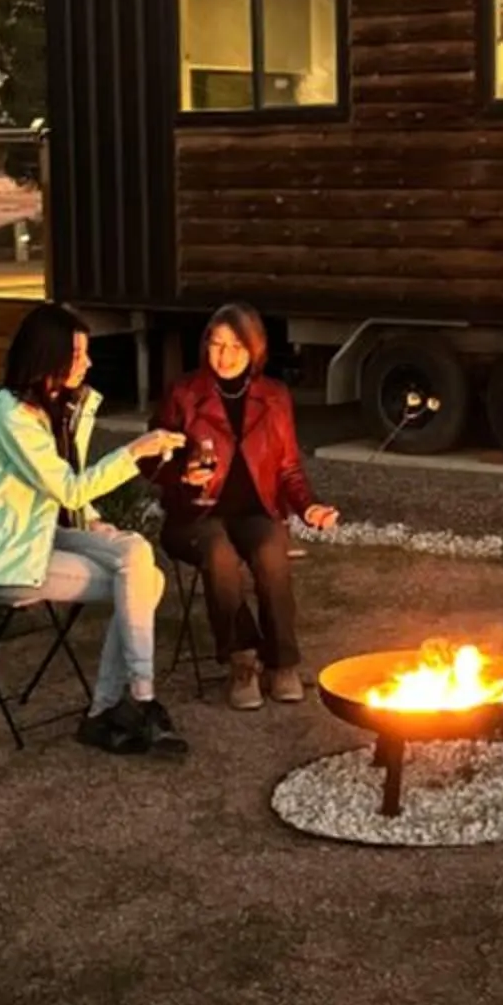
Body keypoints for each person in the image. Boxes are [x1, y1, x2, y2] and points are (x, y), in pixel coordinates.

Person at [0, 303, 190, 754]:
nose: (88, 363)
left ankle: (121, 707)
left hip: (38, 539)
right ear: (48, 356)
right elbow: (68, 488)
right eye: (78, 354)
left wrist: (93, 519)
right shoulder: (11, 418)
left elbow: (68, 493)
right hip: (6, 561)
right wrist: (135, 451)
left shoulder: (53, 410)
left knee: (136, 557)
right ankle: (130, 703)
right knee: (142, 583)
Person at [152, 304, 338, 709]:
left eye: (236, 345)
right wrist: (182, 474)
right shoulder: (184, 393)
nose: (225, 355)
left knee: (271, 550)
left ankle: (282, 662)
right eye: (217, 344)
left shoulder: (273, 396)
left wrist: (309, 508)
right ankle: (241, 661)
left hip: (255, 512)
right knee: (219, 554)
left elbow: (289, 468)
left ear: (254, 349)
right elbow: (150, 460)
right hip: (194, 514)